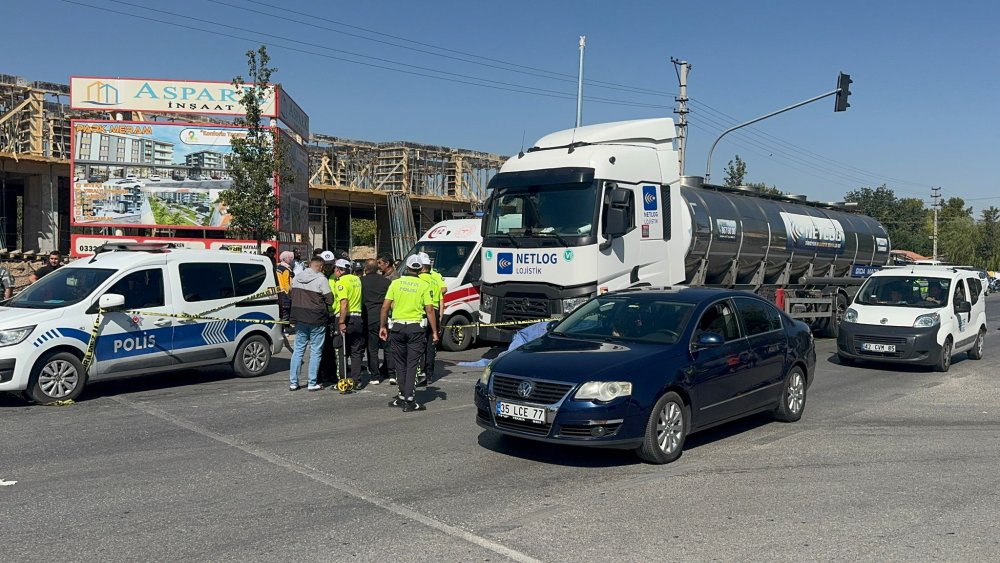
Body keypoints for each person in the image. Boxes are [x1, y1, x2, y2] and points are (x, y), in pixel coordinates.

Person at [380, 255, 438, 412]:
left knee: (399, 363)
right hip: (415, 328)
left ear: (407, 267)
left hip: (397, 327)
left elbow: (385, 307)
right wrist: (434, 331)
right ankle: (409, 400)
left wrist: (383, 326)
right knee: (412, 364)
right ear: (420, 269)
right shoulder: (423, 285)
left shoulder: (396, 283)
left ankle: (401, 396)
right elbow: (430, 310)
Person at [288, 256, 334, 391]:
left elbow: (290, 293)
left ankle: (293, 382)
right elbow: (330, 299)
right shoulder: (321, 279)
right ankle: (312, 382)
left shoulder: (297, 277)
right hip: (316, 319)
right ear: (320, 266)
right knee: (315, 351)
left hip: (299, 318)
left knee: (298, 351)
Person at [331, 258, 364, 392]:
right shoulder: (357, 279)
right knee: (356, 351)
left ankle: (343, 381)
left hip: (347, 318)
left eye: (335, 269)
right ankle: (356, 380)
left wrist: (341, 321)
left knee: (341, 350)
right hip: (358, 318)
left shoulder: (341, 282)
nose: (334, 272)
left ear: (339, 270)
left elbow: (344, 303)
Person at [360, 259, 391, 385]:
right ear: (377, 268)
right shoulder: (386, 281)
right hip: (384, 316)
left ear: (366, 269)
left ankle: (375, 376)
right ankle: (391, 373)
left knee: (372, 348)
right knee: (387, 346)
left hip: (369, 317)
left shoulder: (361, 282)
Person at [416, 252, 445, 386]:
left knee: (418, 345)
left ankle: (420, 373)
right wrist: (440, 316)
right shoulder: (435, 280)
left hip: (423, 312)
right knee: (430, 346)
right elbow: (441, 299)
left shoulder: (419, 280)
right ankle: (429, 374)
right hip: (435, 312)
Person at [276, 251, 296, 332]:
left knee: (281, 311)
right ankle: (285, 328)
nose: (292, 260)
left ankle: (283, 327)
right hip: (285, 292)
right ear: (287, 259)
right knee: (286, 310)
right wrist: (290, 293)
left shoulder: (278, 267)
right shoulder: (286, 269)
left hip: (278, 291)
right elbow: (287, 283)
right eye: (291, 258)